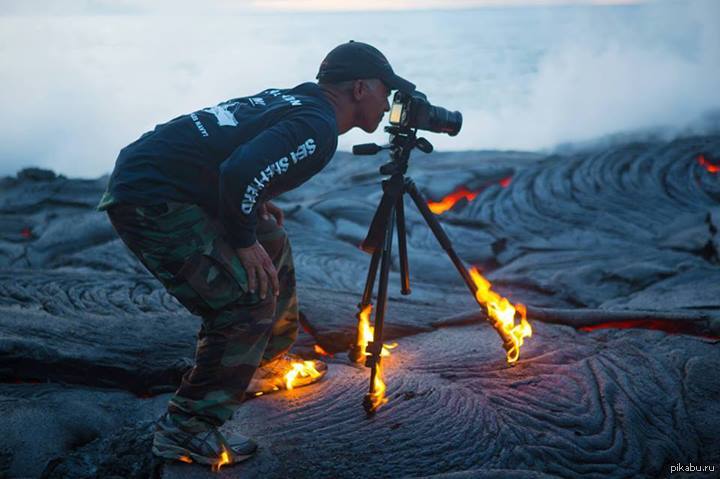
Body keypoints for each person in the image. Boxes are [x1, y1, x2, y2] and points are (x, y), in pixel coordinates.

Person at [98, 41, 415, 467]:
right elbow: (238, 170)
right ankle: (186, 428)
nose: (389, 100)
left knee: (272, 239)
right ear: (360, 88)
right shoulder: (318, 126)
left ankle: (261, 363)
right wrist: (243, 240)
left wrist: (252, 205)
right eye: (385, 89)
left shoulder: (299, 98)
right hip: (151, 199)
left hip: (165, 178)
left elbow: (235, 153)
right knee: (245, 301)